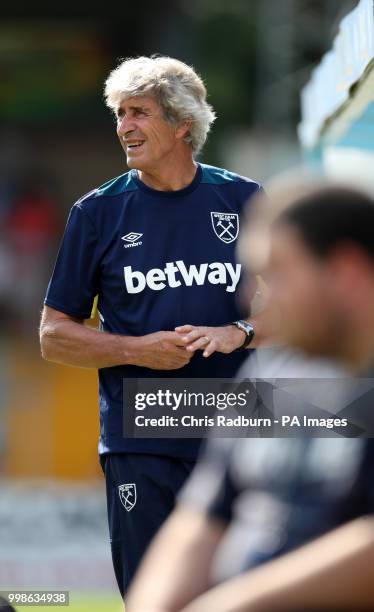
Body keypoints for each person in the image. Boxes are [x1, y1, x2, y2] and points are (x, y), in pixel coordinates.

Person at [39, 55, 271, 597]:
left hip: (238, 431)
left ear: (182, 122)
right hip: (141, 434)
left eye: (138, 112)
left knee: (242, 593)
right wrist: (136, 349)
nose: (124, 127)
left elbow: (293, 307)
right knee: (152, 595)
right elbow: (53, 335)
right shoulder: (96, 212)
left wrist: (239, 331)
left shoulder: (244, 199)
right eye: (119, 114)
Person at [126, 184, 374, 611]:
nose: (252, 297)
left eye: (276, 273)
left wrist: (234, 605)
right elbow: (200, 521)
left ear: (346, 270)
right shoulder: (267, 370)